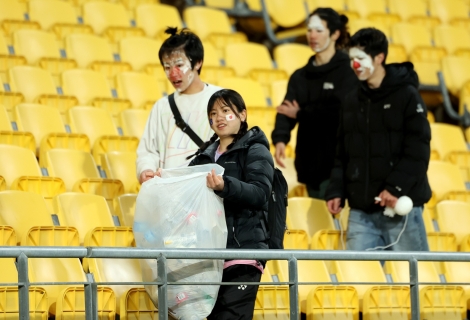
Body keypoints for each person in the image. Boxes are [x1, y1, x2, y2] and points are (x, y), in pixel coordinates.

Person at [325, 28, 431, 251]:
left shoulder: (407, 95)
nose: (355, 65)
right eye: (352, 59)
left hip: (401, 211)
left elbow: (418, 150)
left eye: (360, 59)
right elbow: (341, 153)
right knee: (359, 282)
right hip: (361, 213)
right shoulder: (351, 100)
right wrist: (336, 190)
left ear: (379, 58)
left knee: (413, 280)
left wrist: (395, 187)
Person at [189, 89, 274, 319]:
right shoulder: (202, 157)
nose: (218, 117)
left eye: (226, 111)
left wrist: (225, 186)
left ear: (242, 115)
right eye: (213, 113)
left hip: (242, 254)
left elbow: (260, 193)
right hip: (208, 258)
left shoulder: (255, 150)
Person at [271, 7, 358, 199]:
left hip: (340, 166)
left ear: (335, 33)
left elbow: (338, 111)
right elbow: (286, 109)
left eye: (319, 30)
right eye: (310, 30)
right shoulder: (300, 76)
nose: (312, 35)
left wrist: (301, 113)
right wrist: (280, 138)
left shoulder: (348, 71)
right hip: (310, 165)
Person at [136, 27, 222, 183]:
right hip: (170, 193)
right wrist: (146, 169)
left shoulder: (221, 100)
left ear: (198, 63)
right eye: (167, 67)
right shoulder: (162, 106)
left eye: (179, 65)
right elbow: (148, 151)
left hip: (209, 192)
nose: (173, 74)